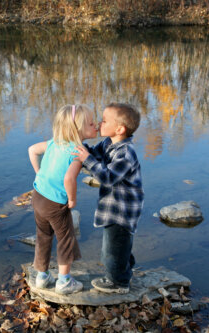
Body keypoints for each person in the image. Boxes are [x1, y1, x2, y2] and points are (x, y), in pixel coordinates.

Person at [72, 102, 144, 294]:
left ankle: (119, 283)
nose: (99, 123)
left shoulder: (126, 153)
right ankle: (124, 268)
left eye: (104, 121)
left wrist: (86, 159)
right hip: (113, 206)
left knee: (111, 250)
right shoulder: (108, 143)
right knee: (119, 244)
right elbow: (93, 155)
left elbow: (107, 177)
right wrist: (78, 147)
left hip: (122, 210)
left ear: (120, 129)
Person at [28, 104, 98, 295]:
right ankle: (64, 281)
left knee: (43, 235)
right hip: (55, 203)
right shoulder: (77, 151)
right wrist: (72, 199)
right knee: (66, 239)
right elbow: (69, 178)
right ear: (78, 130)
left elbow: (32, 150)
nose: (96, 126)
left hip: (38, 196)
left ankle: (42, 276)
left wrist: (39, 172)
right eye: (91, 123)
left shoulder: (53, 143)